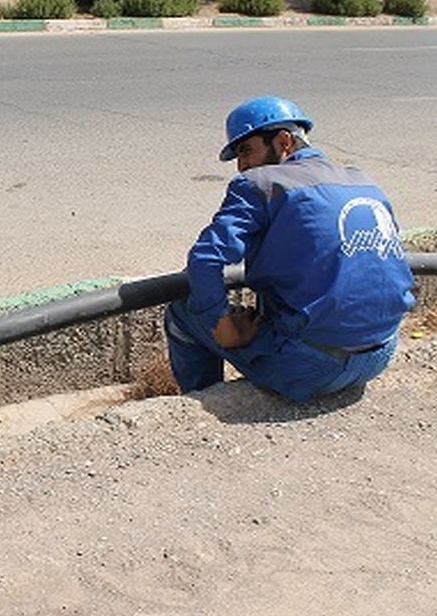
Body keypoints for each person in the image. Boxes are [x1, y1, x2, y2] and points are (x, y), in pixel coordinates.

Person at [165, 95, 415, 401]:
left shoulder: (261, 183)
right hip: (381, 353)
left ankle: (204, 397)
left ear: (284, 141)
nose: (241, 165)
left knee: (182, 312)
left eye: (246, 150)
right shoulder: (361, 181)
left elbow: (205, 259)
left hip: (309, 369)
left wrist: (223, 326)